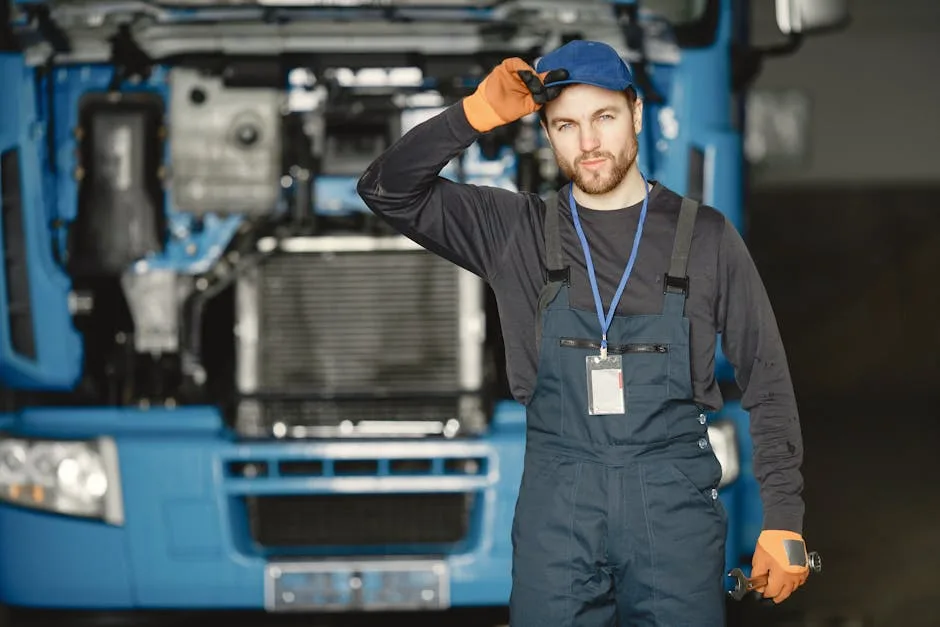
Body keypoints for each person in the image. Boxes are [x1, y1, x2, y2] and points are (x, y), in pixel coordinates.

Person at [357, 39, 809, 626]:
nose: (589, 143)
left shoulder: (706, 238)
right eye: (566, 124)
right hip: (560, 504)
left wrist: (784, 516)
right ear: (546, 132)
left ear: (637, 113)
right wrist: (471, 115)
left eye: (604, 118)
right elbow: (386, 189)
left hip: (672, 504)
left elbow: (766, 376)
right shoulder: (514, 230)